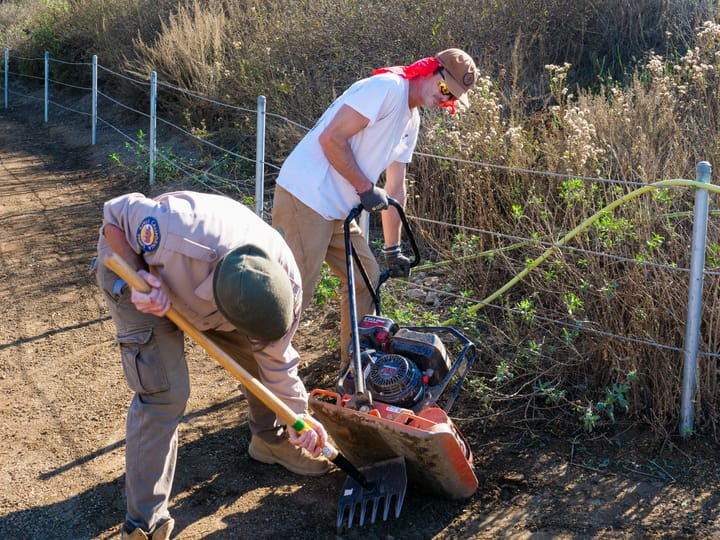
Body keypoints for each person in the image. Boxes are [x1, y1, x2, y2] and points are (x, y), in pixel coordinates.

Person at [95, 190, 330, 540]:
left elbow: (277, 363)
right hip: (143, 284)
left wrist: (298, 416)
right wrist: (140, 277)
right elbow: (114, 216)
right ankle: (143, 522)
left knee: (259, 363)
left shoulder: (284, 291)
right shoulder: (175, 231)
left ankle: (269, 440)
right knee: (166, 394)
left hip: (219, 297)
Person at [272, 48, 478, 366]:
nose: (446, 98)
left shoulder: (412, 119)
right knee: (292, 294)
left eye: (453, 96)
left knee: (366, 278)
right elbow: (331, 139)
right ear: (430, 70)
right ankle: (265, 378)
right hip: (306, 196)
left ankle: (352, 374)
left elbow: (396, 186)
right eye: (444, 88)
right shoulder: (386, 89)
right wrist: (366, 188)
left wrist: (393, 249)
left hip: (338, 209)